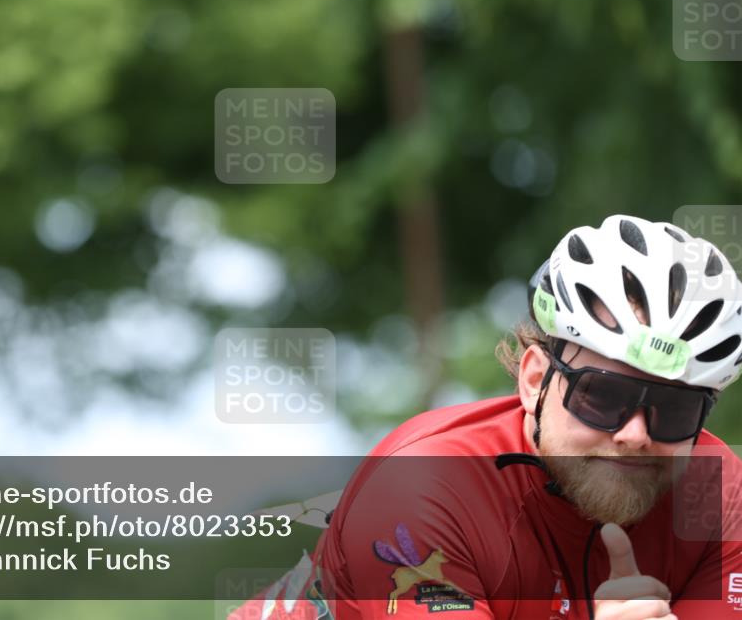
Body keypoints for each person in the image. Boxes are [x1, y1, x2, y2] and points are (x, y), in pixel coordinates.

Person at [228, 214, 742, 620]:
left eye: (675, 410)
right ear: (535, 379)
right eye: (603, 396)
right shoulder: (423, 487)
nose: (636, 434)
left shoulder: (721, 499)